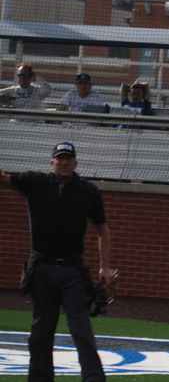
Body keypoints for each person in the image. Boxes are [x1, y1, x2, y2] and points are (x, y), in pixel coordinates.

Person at [0, 142, 113, 382]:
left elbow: (102, 230)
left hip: (72, 270)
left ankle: (94, 379)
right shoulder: (35, 183)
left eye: (68, 158)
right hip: (41, 268)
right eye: (59, 158)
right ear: (52, 163)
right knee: (41, 331)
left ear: (76, 163)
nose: (64, 162)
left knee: (81, 329)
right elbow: (4, 179)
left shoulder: (88, 191)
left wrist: (104, 267)